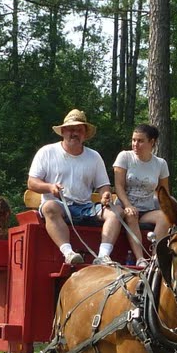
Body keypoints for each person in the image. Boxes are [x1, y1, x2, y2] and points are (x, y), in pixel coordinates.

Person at [26, 108, 121, 265]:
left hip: (86, 207)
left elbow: (104, 185)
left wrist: (105, 195)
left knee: (116, 211)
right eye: (71, 129)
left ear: (85, 134)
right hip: (59, 205)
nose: (74, 133)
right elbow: (32, 182)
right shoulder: (47, 152)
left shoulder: (94, 157)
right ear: (63, 131)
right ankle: (68, 253)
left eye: (79, 130)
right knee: (49, 206)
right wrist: (50, 187)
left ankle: (103, 256)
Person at [111, 123, 172, 263]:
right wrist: (128, 205)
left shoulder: (160, 164)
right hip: (124, 207)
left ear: (152, 142)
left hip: (147, 210)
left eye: (140, 141)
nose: (135, 144)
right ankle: (140, 258)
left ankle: (156, 258)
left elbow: (163, 193)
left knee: (165, 217)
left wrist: (172, 211)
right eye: (133, 140)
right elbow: (118, 186)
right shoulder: (125, 156)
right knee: (131, 214)